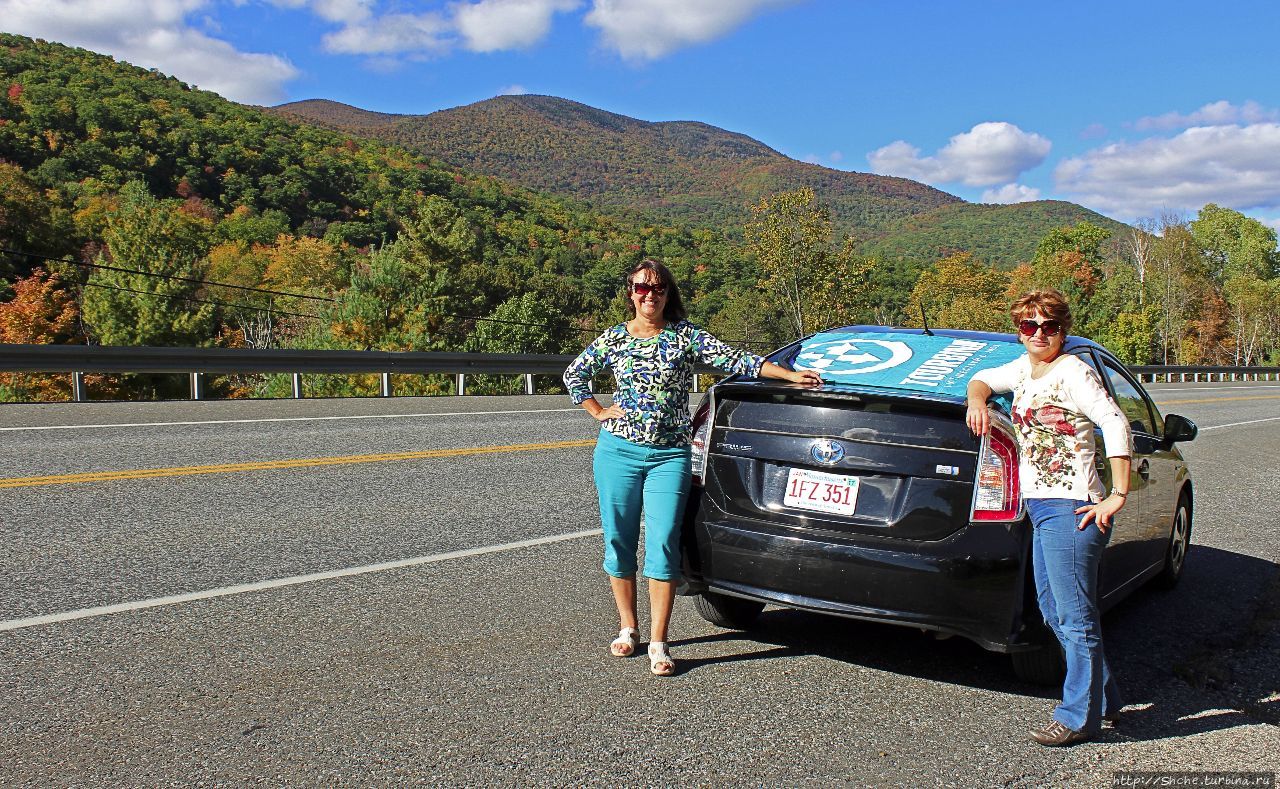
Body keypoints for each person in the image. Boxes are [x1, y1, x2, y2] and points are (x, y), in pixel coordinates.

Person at [563, 259, 820, 676]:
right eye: (642, 288)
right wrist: (597, 411)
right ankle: (629, 628)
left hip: (669, 456)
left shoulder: (685, 337)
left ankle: (660, 642)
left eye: (658, 288)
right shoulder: (613, 339)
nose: (650, 295)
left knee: (664, 541)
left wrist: (788, 376)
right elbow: (576, 374)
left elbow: (737, 360)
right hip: (618, 454)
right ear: (630, 292)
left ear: (668, 293)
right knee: (619, 540)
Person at [965, 288, 1132, 746]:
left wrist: (1118, 493)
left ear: (1063, 330)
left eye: (1049, 326)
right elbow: (981, 379)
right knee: (1055, 612)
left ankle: (1078, 717)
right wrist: (976, 402)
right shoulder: (1026, 369)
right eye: (1029, 325)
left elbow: (1114, 422)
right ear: (1019, 329)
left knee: (1076, 618)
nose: (1039, 334)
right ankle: (1105, 700)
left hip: (1073, 506)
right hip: (1039, 506)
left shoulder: (1073, 371)